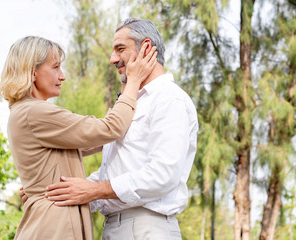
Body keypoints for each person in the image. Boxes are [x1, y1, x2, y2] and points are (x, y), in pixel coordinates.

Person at [44, 18, 199, 239]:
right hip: (121, 227)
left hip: (146, 228)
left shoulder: (169, 100)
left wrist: (93, 191)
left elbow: (162, 175)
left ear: (146, 48)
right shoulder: (134, 103)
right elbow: (114, 172)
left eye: (120, 49)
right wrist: (53, 192)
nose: (112, 59)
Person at [0, 35, 157, 240]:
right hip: (54, 227)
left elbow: (92, 140)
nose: (62, 76)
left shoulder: (24, 112)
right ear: (32, 72)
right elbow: (110, 129)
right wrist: (133, 80)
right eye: (55, 67)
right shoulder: (35, 112)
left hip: (50, 222)